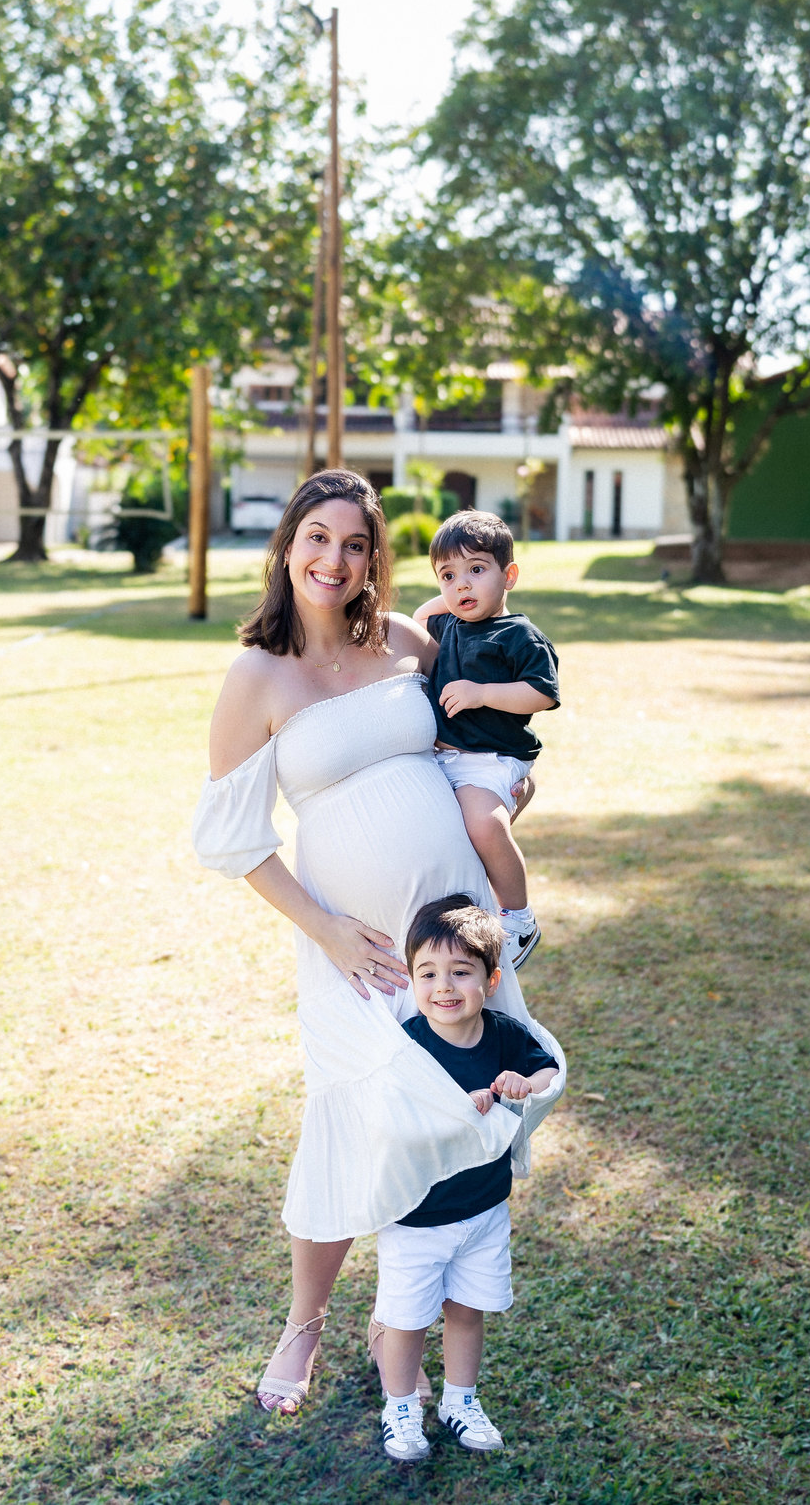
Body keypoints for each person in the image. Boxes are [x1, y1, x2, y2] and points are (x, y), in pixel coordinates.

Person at [191, 471, 564, 1416]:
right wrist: (325, 930)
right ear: (288, 545)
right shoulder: (256, 675)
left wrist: (510, 800)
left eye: (356, 544)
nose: (335, 559)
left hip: (456, 936)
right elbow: (233, 839)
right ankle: (304, 1325)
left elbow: (490, 740)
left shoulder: (407, 641)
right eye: (318, 537)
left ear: (374, 560)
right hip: (354, 951)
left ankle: (398, 1315)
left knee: (450, 1117)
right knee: (351, 1121)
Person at [375, 896, 558, 1464]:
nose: (444, 987)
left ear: (491, 980)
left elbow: (548, 1069)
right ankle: (400, 1407)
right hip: (417, 1215)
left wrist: (524, 1084)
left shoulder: (502, 1035)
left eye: (460, 972)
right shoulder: (408, 1044)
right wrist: (458, 1107)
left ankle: (461, 1400)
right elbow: (391, 1117)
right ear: (412, 980)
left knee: (467, 1309)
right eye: (428, 973)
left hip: (484, 1209)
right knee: (406, 1320)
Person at [413, 510, 560, 969]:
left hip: (493, 757)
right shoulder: (451, 624)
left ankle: (519, 917)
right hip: (447, 759)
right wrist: (456, 593)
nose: (462, 585)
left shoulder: (518, 635)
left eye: (477, 570)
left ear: (508, 576)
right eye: (448, 575)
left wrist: (482, 693)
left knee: (483, 826)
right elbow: (420, 617)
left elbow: (541, 693)